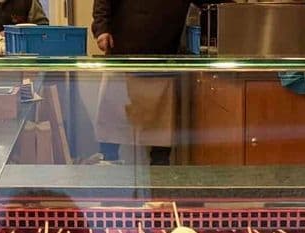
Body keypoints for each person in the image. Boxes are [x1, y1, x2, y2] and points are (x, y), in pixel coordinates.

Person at [91, 0, 218, 165]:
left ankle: (159, 171)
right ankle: (108, 161)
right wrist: (101, 29)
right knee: (111, 130)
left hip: (163, 57)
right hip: (122, 55)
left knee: (161, 144)